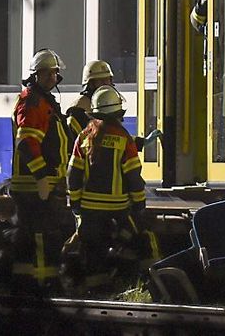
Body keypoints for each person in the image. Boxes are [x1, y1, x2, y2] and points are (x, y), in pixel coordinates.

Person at [66, 85, 148, 290]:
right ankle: (129, 283)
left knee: (93, 255)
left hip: (90, 211)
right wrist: (139, 204)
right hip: (119, 211)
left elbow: (73, 175)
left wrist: (75, 203)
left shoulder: (84, 137)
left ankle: (96, 295)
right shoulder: (124, 139)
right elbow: (133, 176)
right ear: (118, 113)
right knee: (134, 240)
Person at [10, 48, 71, 293]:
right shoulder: (33, 102)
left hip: (43, 183)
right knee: (40, 235)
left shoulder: (45, 102)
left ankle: (35, 284)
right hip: (33, 186)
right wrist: (42, 176)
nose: (52, 78)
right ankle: (42, 286)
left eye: (54, 74)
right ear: (36, 75)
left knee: (44, 234)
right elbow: (27, 142)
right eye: (46, 74)